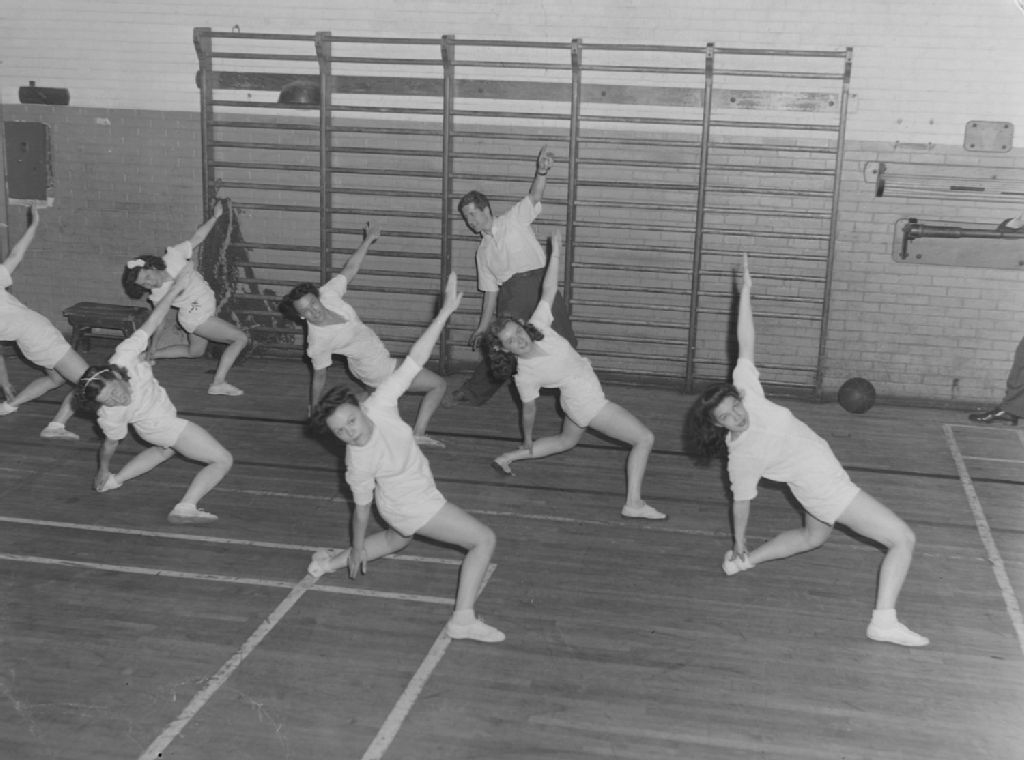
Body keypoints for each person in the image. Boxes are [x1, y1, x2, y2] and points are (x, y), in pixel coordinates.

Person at [689, 253, 928, 647]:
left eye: (735, 408)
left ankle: (744, 564)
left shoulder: (749, 393)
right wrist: (737, 538)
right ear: (717, 425)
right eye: (726, 418)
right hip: (824, 487)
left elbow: (744, 343)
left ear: (738, 398)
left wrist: (745, 293)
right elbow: (741, 502)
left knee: (812, 537)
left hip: (812, 485)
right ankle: (883, 621)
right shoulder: (741, 456)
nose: (737, 417)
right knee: (903, 538)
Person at [307, 273, 504, 643]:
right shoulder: (357, 461)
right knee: (483, 540)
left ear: (360, 406)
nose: (350, 432)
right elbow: (360, 511)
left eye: (351, 421)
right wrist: (357, 546)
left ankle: (325, 564)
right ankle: (462, 620)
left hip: (398, 504)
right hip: (412, 504)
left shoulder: (380, 402)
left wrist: (444, 312)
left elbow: (416, 358)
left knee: (396, 540)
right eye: (340, 432)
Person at [484, 231, 663, 521]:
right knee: (644, 438)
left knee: (566, 442)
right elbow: (529, 411)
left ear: (522, 326)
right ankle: (633, 503)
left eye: (517, 332)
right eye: (510, 341)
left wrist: (555, 252)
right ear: (504, 350)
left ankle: (506, 458)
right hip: (586, 402)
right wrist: (526, 438)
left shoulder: (539, 326)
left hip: (573, 400)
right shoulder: (525, 376)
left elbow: (548, 288)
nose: (519, 339)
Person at [75, 264, 233, 525]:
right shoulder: (108, 414)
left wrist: (174, 290)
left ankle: (115, 481)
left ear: (116, 376)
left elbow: (153, 321)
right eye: (108, 401)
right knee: (222, 460)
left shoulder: (125, 356)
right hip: (164, 424)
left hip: (151, 429)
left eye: (114, 392)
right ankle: (185, 508)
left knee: (163, 450)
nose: (116, 400)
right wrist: (102, 467)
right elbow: (109, 444)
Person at [279, 222, 448, 447]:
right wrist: (315, 406)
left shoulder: (328, 294)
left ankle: (342, 413)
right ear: (300, 316)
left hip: (364, 363)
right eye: (305, 311)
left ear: (318, 298)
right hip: (376, 367)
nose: (313, 311)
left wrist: (368, 240)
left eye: (313, 303)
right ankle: (417, 433)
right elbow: (319, 377)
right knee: (437, 385)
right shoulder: (317, 341)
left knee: (374, 399)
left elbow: (350, 269)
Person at [445, 145, 577, 407]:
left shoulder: (514, 219)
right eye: (465, 217)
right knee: (500, 346)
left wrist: (541, 171)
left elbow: (535, 195)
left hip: (541, 286)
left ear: (486, 210)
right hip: (511, 296)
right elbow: (490, 293)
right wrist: (482, 326)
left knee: (565, 340)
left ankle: (577, 387)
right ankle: (472, 393)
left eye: (472, 213)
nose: (470, 221)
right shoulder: (482, 253)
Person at [121, 200, 248, 396]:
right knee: (240, 338)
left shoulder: (173, 257)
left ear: (152, 267)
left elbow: (198, 237)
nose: (149, 284)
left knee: (194, 352)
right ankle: (218, 382)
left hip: (198, 313)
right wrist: (153, 343)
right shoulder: (158, 294)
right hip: (196, 317)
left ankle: (147, 356)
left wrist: (215, 217)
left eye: (147, 277)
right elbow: (159, 322)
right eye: (143, 285)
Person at [0, 205, 84, 440]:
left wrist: (5, 384)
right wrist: (33, 225)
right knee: (89, 382)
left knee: (56, 379)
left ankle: (9, 405)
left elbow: (15, 256)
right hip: (41, 339)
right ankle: (56, 426)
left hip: (30, 344)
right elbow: (15, 255)